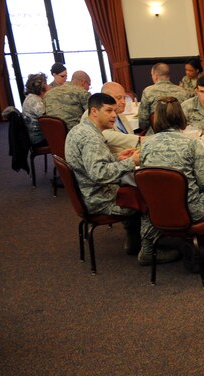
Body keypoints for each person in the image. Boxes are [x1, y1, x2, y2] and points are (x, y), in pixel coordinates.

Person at [65, 93, 178, 261]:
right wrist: (131, 162)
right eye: (109, 111)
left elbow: (91, 165)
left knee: (136, 187)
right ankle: (148, 252)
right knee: (151, 197)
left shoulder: (80, 130)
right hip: (100, 199)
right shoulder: (91, 139)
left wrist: (118, 158)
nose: (114, 115)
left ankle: (134, 240)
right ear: (94, 112)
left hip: (88, 193)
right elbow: (99, 174)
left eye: (114, 111)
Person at [140, 97, 204, 267]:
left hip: (157, 209)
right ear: (181, 116)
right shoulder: (192, 143)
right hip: (192, 210)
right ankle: (202, 247)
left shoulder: (146, 144)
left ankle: (151, 248)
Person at [79, 82, 140, 156]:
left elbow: (129, 135)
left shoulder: (119, 114)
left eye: (124, 98)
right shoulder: (91, 113)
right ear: (106, 98)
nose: (123, 102)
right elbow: (105, 134)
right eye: (119, 98)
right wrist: (139, 140)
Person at [138, 63, 191, 134]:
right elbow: (187, 117)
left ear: (155, 76)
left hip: (155, 135)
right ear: (168, 75)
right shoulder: (182, 92)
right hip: (179, 133)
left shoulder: (148, 91)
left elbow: (143, 122)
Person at [21, 73, 49, 147]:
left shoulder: (31, 97)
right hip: (39, 139)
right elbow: (48, 119)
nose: (48, 85)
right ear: (42, 87)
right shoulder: (35, 101)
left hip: (34, 135)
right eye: (46, 83)